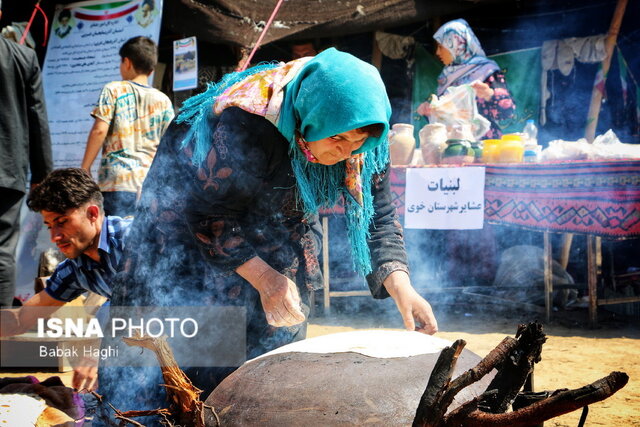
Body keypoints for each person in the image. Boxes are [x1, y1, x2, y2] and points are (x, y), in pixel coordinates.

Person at [96, 47, 438, 420]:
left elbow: (379, 216)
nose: (345, 154)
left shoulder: (364, 144)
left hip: (278, 216)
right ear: (313, 116)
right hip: (187, 224)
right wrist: (264, 278)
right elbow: (210, 214)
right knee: (193, 360)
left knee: (275, 349)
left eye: (356, 143)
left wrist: (403, 287)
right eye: (338, 140)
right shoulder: (249, 121)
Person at [0, 168, 132, 392]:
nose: (54, 237)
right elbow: (24, 318)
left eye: (62, 221)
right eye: (50, 226)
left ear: (92, 213)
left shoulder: (133, 238)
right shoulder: (74, 269)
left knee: (107, 312)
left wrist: (98, 352)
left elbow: (143, 302)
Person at [81, 36, 174, 218]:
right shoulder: (164, 101)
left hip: (116, 181)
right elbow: (169, 145)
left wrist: (85, 168)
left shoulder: (113, 89)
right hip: (147, 184)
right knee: (139, 242)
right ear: (151, 69)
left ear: (127, 62)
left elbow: (100, 130)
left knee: (113, 238)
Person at [0, 1, 53, 308]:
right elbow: (38, 120)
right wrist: (43, 177)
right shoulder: (23, 57)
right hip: (8, 172)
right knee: (3, 250)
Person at [417, 18, 516, 139]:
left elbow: (508, 112)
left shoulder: (487, 71)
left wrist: (489, 94)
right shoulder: (446, 78)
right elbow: (447, 120)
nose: (437, 52)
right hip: (454, 146)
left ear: (456, 43)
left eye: (440, 46)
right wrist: (430, 112)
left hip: (485, 147)